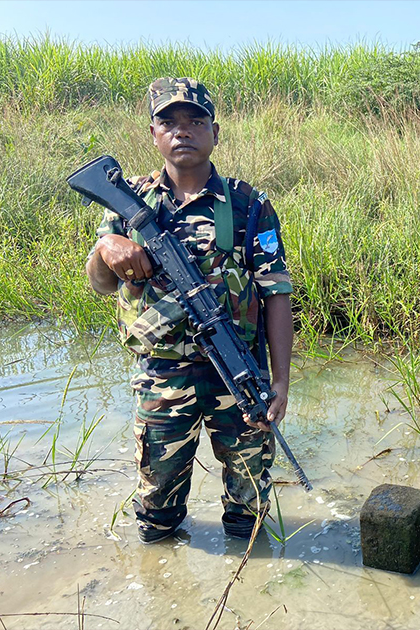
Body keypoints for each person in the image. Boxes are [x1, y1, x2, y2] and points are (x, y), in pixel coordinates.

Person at [85, 77, 295, 544]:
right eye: (170, 122)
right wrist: (106, 248)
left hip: (238, 376)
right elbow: (100, 285)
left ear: (215, 132)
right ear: (153, 135)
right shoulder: (128, 200)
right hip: (161, 375)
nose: (183, 131)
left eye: (196, 121)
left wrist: (280, 381)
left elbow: (276, 293)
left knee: (250, 513)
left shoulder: (249, 204)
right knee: (156, 513)